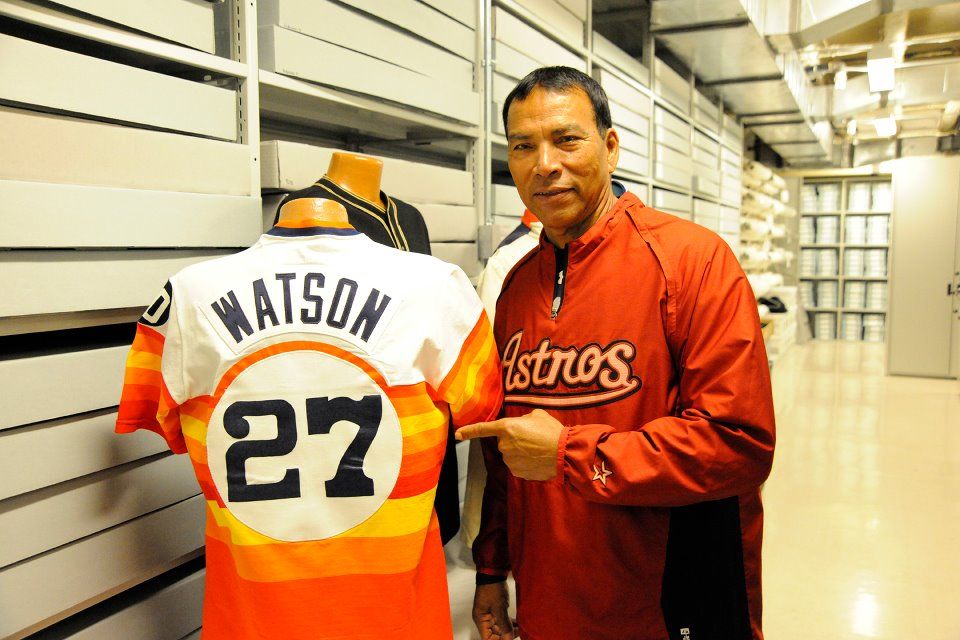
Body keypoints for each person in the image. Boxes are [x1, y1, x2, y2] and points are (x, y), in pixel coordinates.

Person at [457, 66, 776, 640]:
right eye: (523, 146)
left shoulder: (692, 262)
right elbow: (507, 456)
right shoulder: (515, 288)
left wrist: (570, 454)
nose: (544, 163)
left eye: (566, 139)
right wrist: (491, 569)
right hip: (549, 602)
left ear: (609, 147)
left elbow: (739, 444)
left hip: (664, 606)